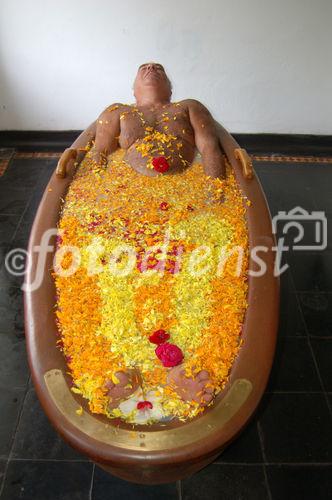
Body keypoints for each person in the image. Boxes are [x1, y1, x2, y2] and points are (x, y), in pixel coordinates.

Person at [57, 62, 231, 415]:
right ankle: (127, 364)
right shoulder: (117, 112)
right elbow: (98, 155)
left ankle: (180, 364)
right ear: (134, 86)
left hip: (185, 196)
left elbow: (210, 148)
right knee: (115, 272)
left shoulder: (189, 107)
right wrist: (89, 198)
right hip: (126, 196)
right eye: (143, 69)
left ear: (169, 84)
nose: (151, 68)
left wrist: (215, 195)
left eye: (159, 69)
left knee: (189, 269)